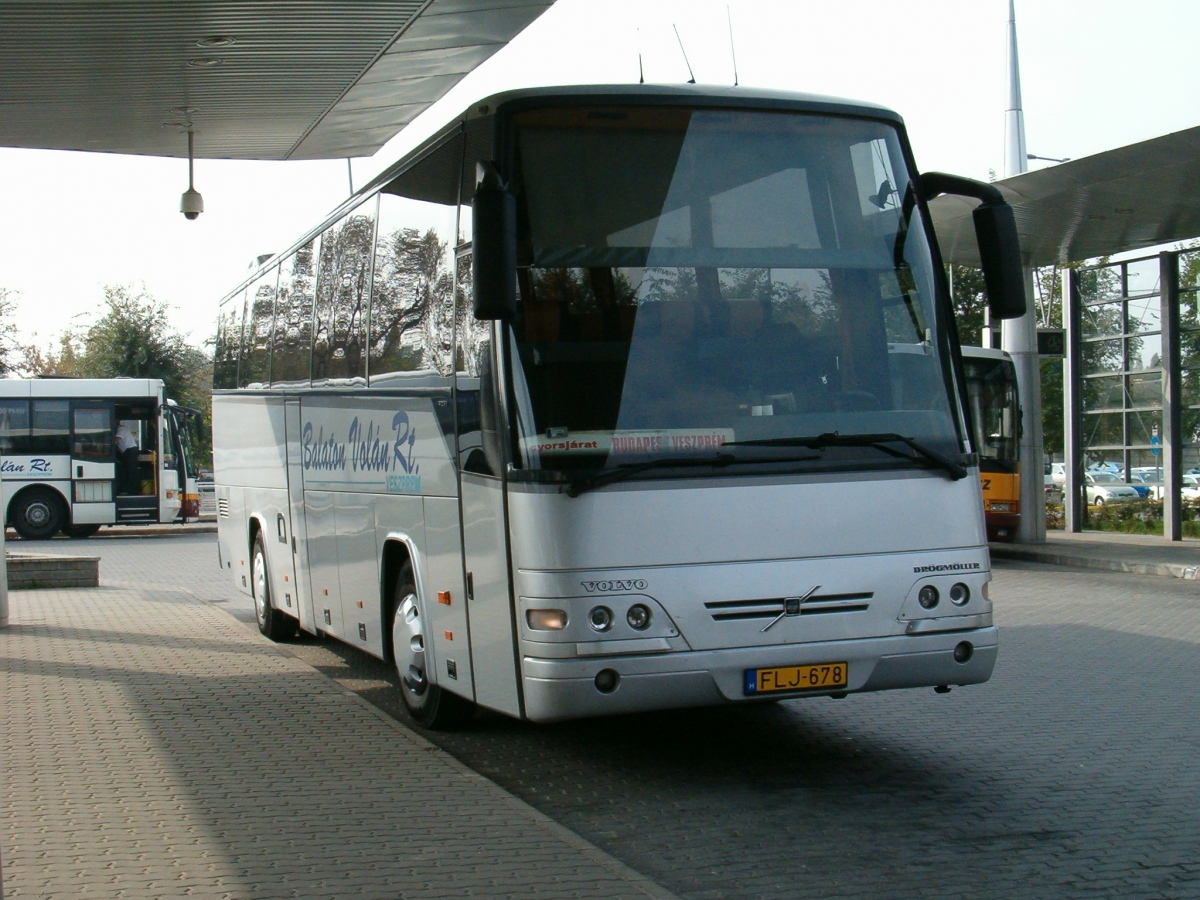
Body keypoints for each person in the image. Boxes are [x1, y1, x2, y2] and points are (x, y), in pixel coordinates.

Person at [115, 421, 139, 494]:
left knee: (130, 471)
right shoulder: (120, 429)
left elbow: (116, 440)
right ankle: (127, 489)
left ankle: (133, 491)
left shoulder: (121, 429)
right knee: (126, 470)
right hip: (127, 452)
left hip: (130, 451)